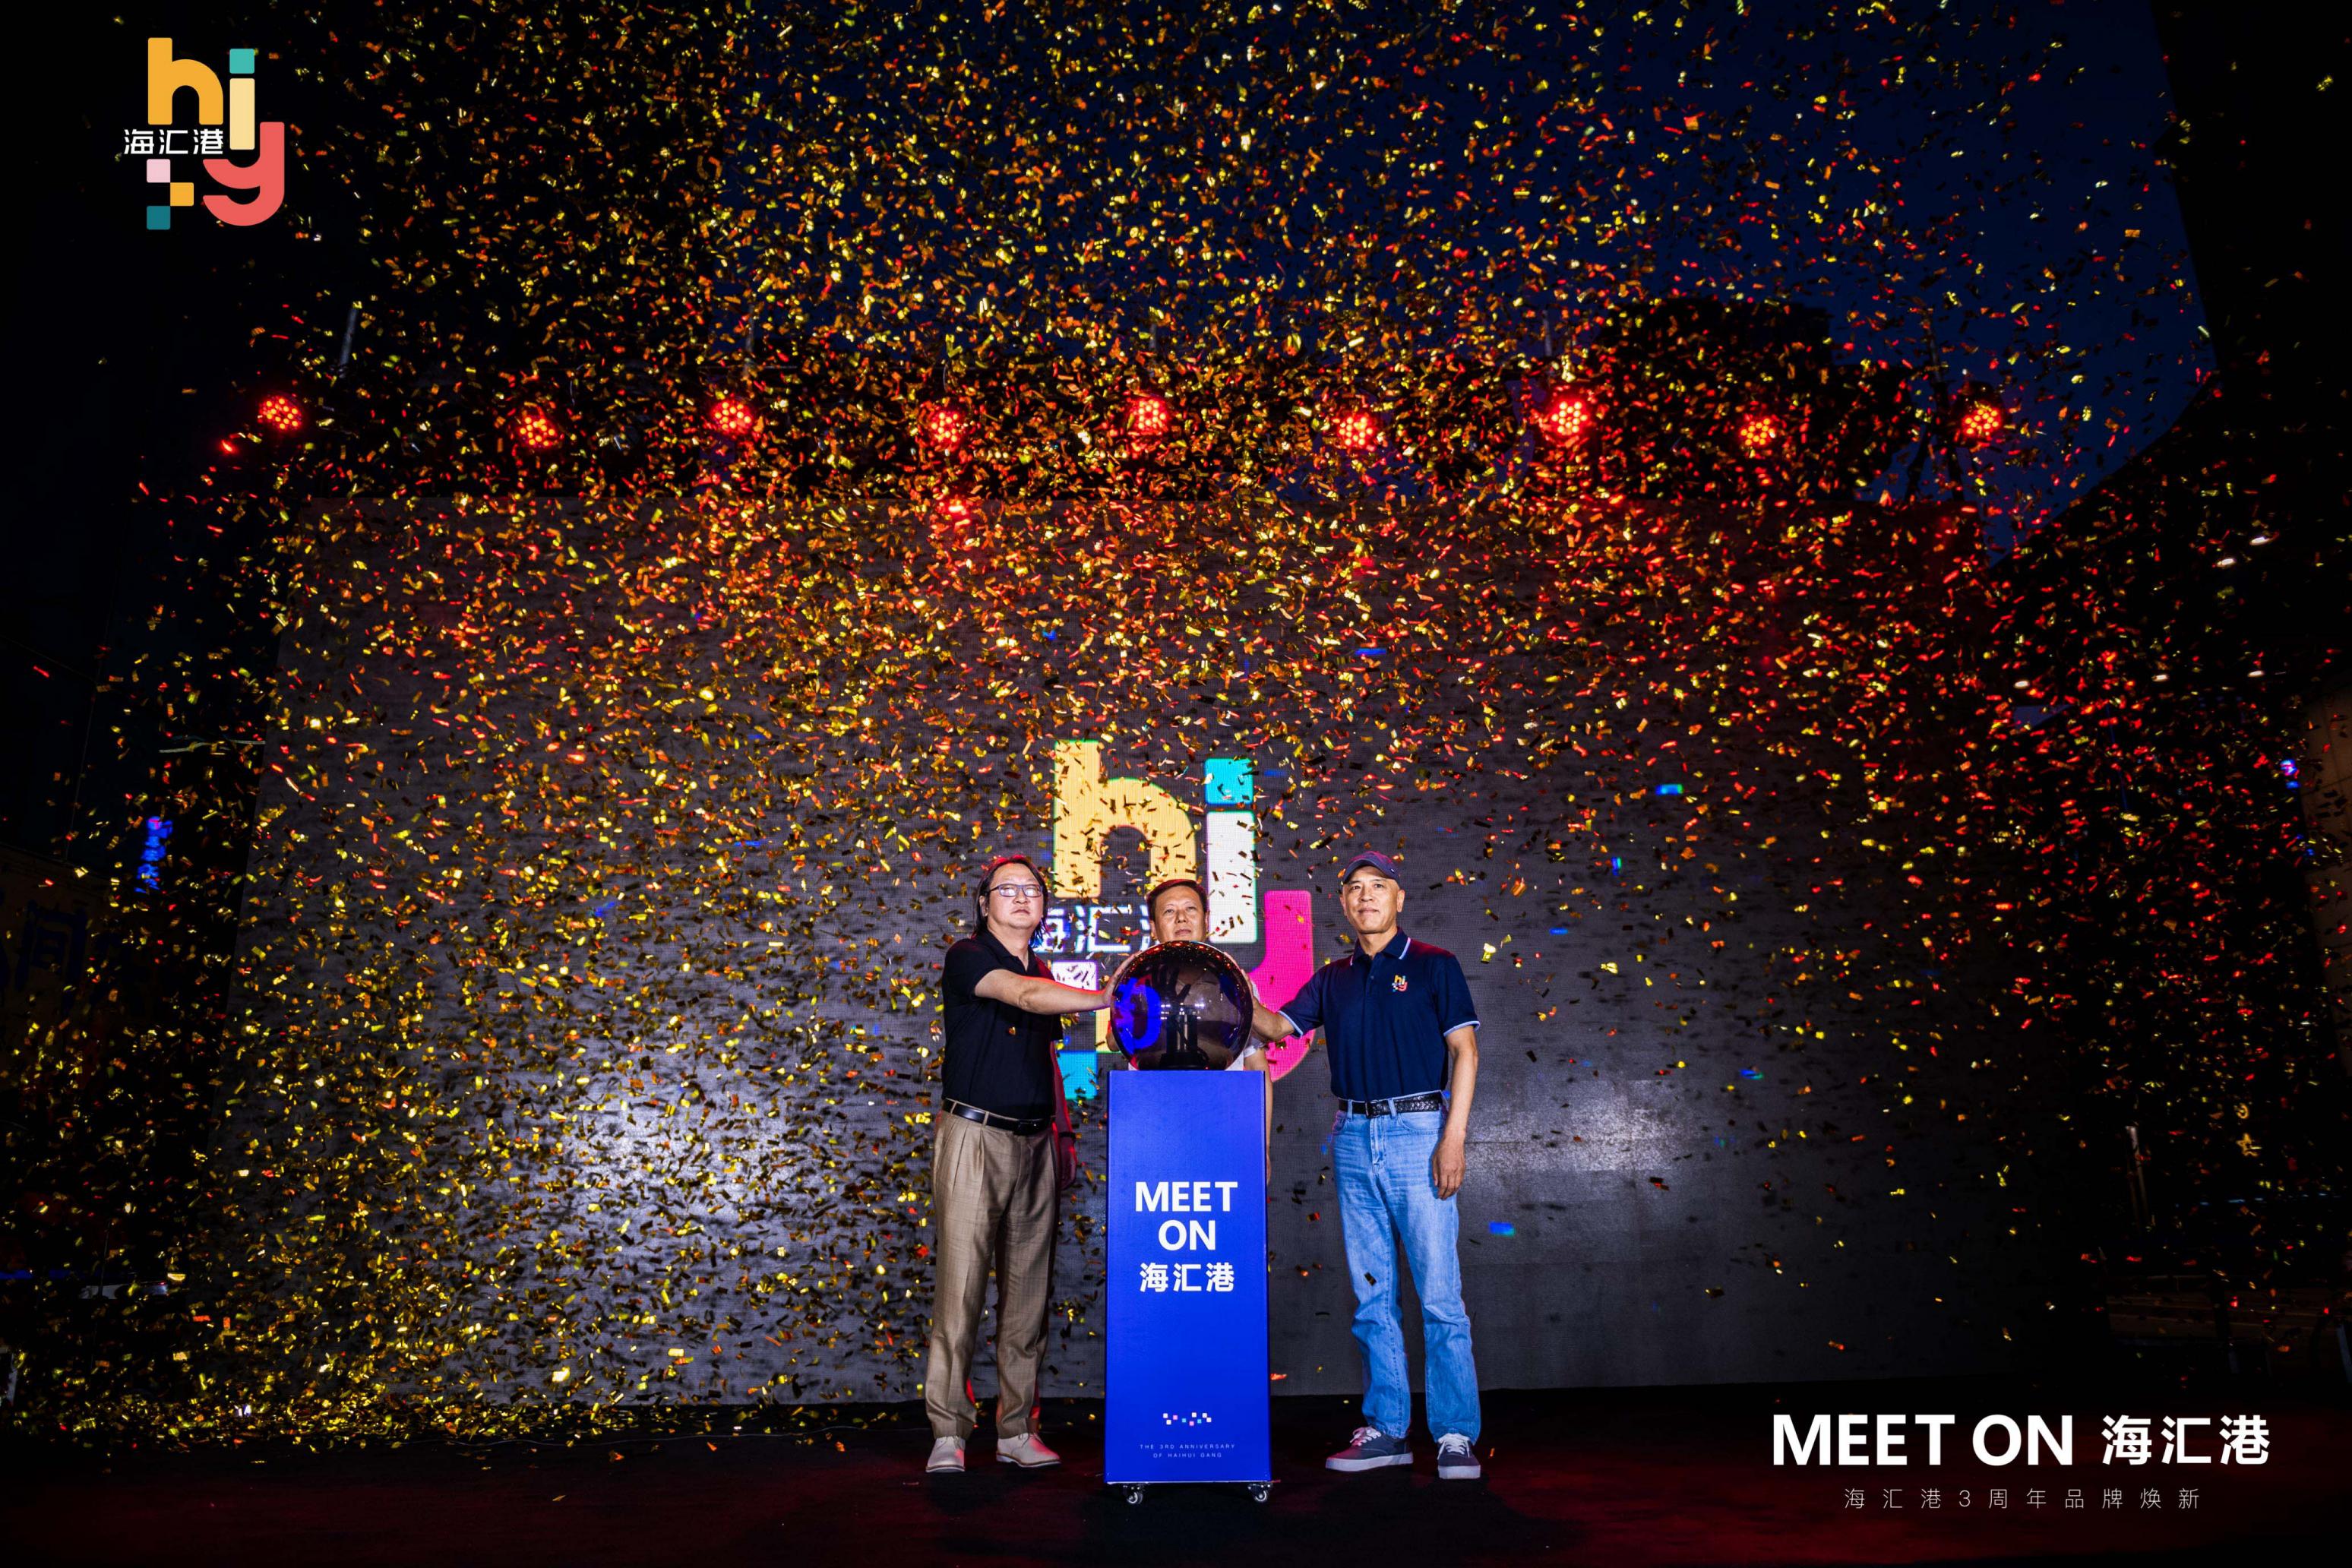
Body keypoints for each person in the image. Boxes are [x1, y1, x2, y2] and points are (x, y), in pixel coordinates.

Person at [1273, 850, 1484, 1481]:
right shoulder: (1332, 976)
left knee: (1440, 1297)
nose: (1366, 897)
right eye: (1355, 889)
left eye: (1378, 887)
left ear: (1399, 899)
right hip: (1352, 1132)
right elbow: (1275, 1027)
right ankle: (1388, 1430)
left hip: (1420, 1129)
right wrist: (1214, 987)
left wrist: (1453, 1139)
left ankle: (1454, 1434)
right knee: (1373, 1298)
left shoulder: (1433, 965)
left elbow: (1465, 1053)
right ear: (1343, 904)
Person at [924, 853, 1111, 1475]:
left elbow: (1047, 1057)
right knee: (961, 1293)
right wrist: (1110, 995)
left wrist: (1062, 1134)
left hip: (1036, 1143)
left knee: (1028, 1298)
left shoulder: (1044, 966)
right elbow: (1024, 997)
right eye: (1009, 890)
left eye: (1033, 890)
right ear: (985, 903)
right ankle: (949, 1434)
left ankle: (1014, 1430)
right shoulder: (969, 955)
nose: (1023, 898)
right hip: (974, 1138)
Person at [1108, 877, 1291, 1162]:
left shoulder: (1236, 982)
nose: (1181, 918)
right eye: (1169, 911)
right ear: (1154, 928)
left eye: (1190, 909)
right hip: (1155, 1121)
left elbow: (1257, 1067)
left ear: (1206, 920)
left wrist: (1262, 1145)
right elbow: (1113, 1040)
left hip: (1223, 1120)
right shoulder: (1137, 979)